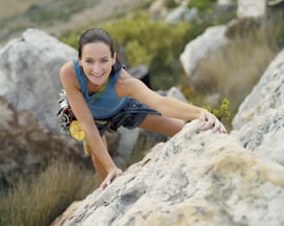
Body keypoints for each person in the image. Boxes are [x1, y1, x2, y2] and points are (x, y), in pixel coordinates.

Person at [59, 28, 226, 190]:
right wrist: (111, 168)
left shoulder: (124, 83)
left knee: (183, 129)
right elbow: (87, 123)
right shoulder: (69, 74)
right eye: (89, 61)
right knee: (101, 160)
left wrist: (200, 112)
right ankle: (109, 192)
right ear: (79, 60)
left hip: (124, 108)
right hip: (93, 119)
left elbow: (161, 103)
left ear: (113, 58)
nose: (97, 69)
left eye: (104, 60)